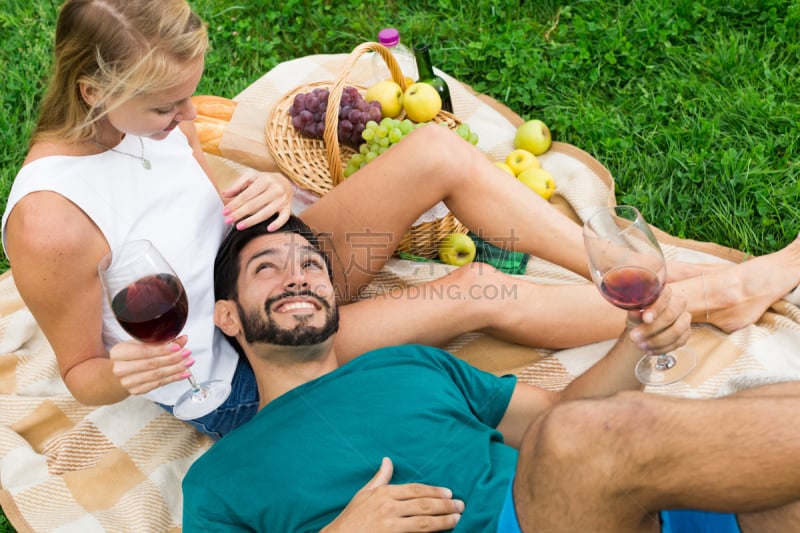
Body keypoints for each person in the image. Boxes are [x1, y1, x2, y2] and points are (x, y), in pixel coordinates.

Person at [4, 0, 800, 439]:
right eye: (167, 106)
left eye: (191, 95)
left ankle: (606, 259)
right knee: (478, 288)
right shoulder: (49, 222)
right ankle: (699, 297)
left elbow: (200, 199)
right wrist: (128, 372)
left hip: (273, 262)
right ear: (93, 93)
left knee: (433, 153)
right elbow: (83, 377)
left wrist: (267, 200)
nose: (189, 119)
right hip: (245, 359)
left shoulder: (152, 122)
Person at [182, 216, 800, 532]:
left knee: (776, 406)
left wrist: (635, 340)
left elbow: (557, 415)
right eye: (267, 267)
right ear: (228, 317)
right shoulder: (217, 480)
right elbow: (573, 438)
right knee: (577, 440)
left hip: (609, 509)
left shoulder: (406, 364)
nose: (298, 276)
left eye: (312, 265)